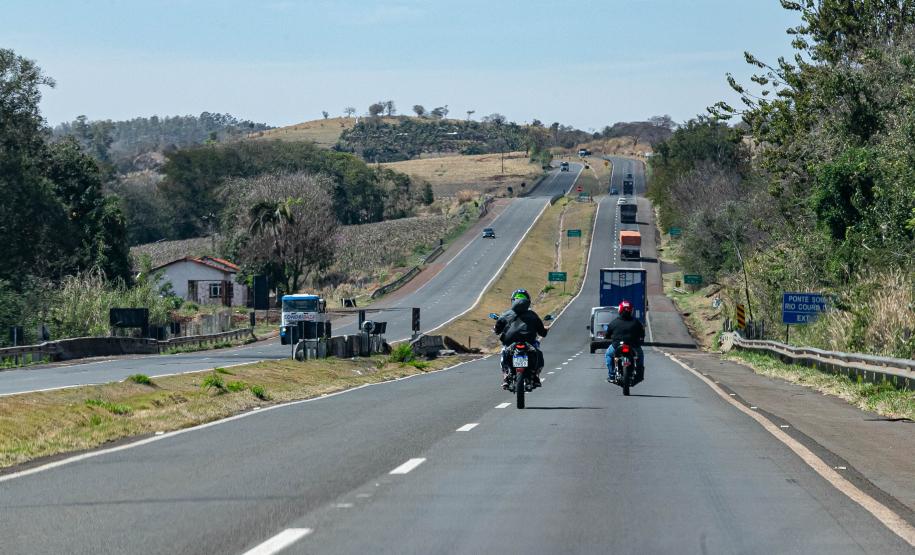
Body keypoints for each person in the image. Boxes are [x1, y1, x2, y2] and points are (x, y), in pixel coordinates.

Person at [493, 289, 548, 389]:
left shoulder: (506, 314)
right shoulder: (533, 315)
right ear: (528, 301)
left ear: (513, 300)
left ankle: (506, 376)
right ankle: (535, 376)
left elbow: (497, 329)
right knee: (538, 353)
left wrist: (497, 330)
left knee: (504, 352)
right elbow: (542, 333)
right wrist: (545, 330)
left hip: (510, 342)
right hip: (529, 342)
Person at [604, 300, 646, 384]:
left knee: (608, 354)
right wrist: (640, 339)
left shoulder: (614, 322)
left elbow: (607, 334)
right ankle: (639, 373)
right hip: (633, 346)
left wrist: (607, 337)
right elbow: (642, 334)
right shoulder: (636, 322)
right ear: (631, 311)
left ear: (620, 310)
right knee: (640, 355)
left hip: (617, 346)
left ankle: (611, 375)